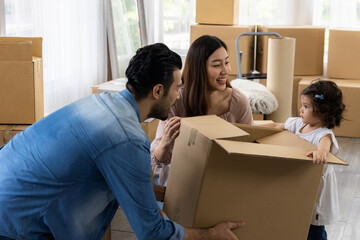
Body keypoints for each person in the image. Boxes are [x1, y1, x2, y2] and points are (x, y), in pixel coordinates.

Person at [0, 43, 245, 240]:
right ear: (158, 91)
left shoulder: (98, 103)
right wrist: (210, 234)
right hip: (12, 223)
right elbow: (152, 233)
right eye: (177, 88)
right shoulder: (127, 139)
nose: (178, 95)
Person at [151, 35, 253, 186]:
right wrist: (166, 142)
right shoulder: (176, 99)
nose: (225, 70)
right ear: (199, 68)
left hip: (223, 181)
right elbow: (158, 159)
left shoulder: (238, 102)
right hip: (180, 183)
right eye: (217, 65)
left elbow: (249, 151)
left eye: (227, 62)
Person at [263, 80, 345, 240]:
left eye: (306, 107)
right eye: (302, 105)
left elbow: (324, 145)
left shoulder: (323, 134)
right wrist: (251, 128)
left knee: (313, 230)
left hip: (315, 190)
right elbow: (277, 126)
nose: (301, 110)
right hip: (298, 183)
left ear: (323, 112)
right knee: (296, 221)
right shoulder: (298, 124)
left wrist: (320, 153)